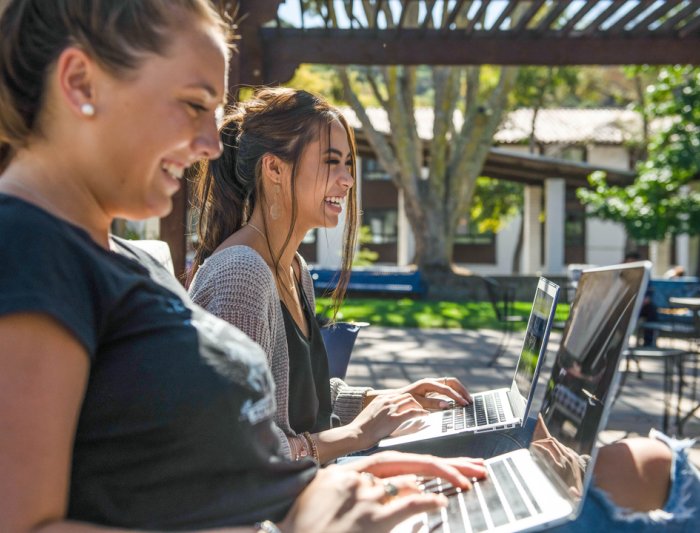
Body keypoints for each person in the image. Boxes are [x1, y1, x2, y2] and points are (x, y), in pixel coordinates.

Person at [0, 1, 490, 531]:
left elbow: (187, 477)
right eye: (192, 103)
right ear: (80, 83)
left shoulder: (131, 259)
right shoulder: (29, 249)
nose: (212, 144)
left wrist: (335, 480)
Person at [188, 87, 472, 463]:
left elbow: (309, 398)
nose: (348, 180)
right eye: (331, 162)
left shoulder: (294, 268)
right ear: (274, 168)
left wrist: (384, 401)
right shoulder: (241, 274)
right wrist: (358, 434)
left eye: (349, 165)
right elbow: (236, 451)